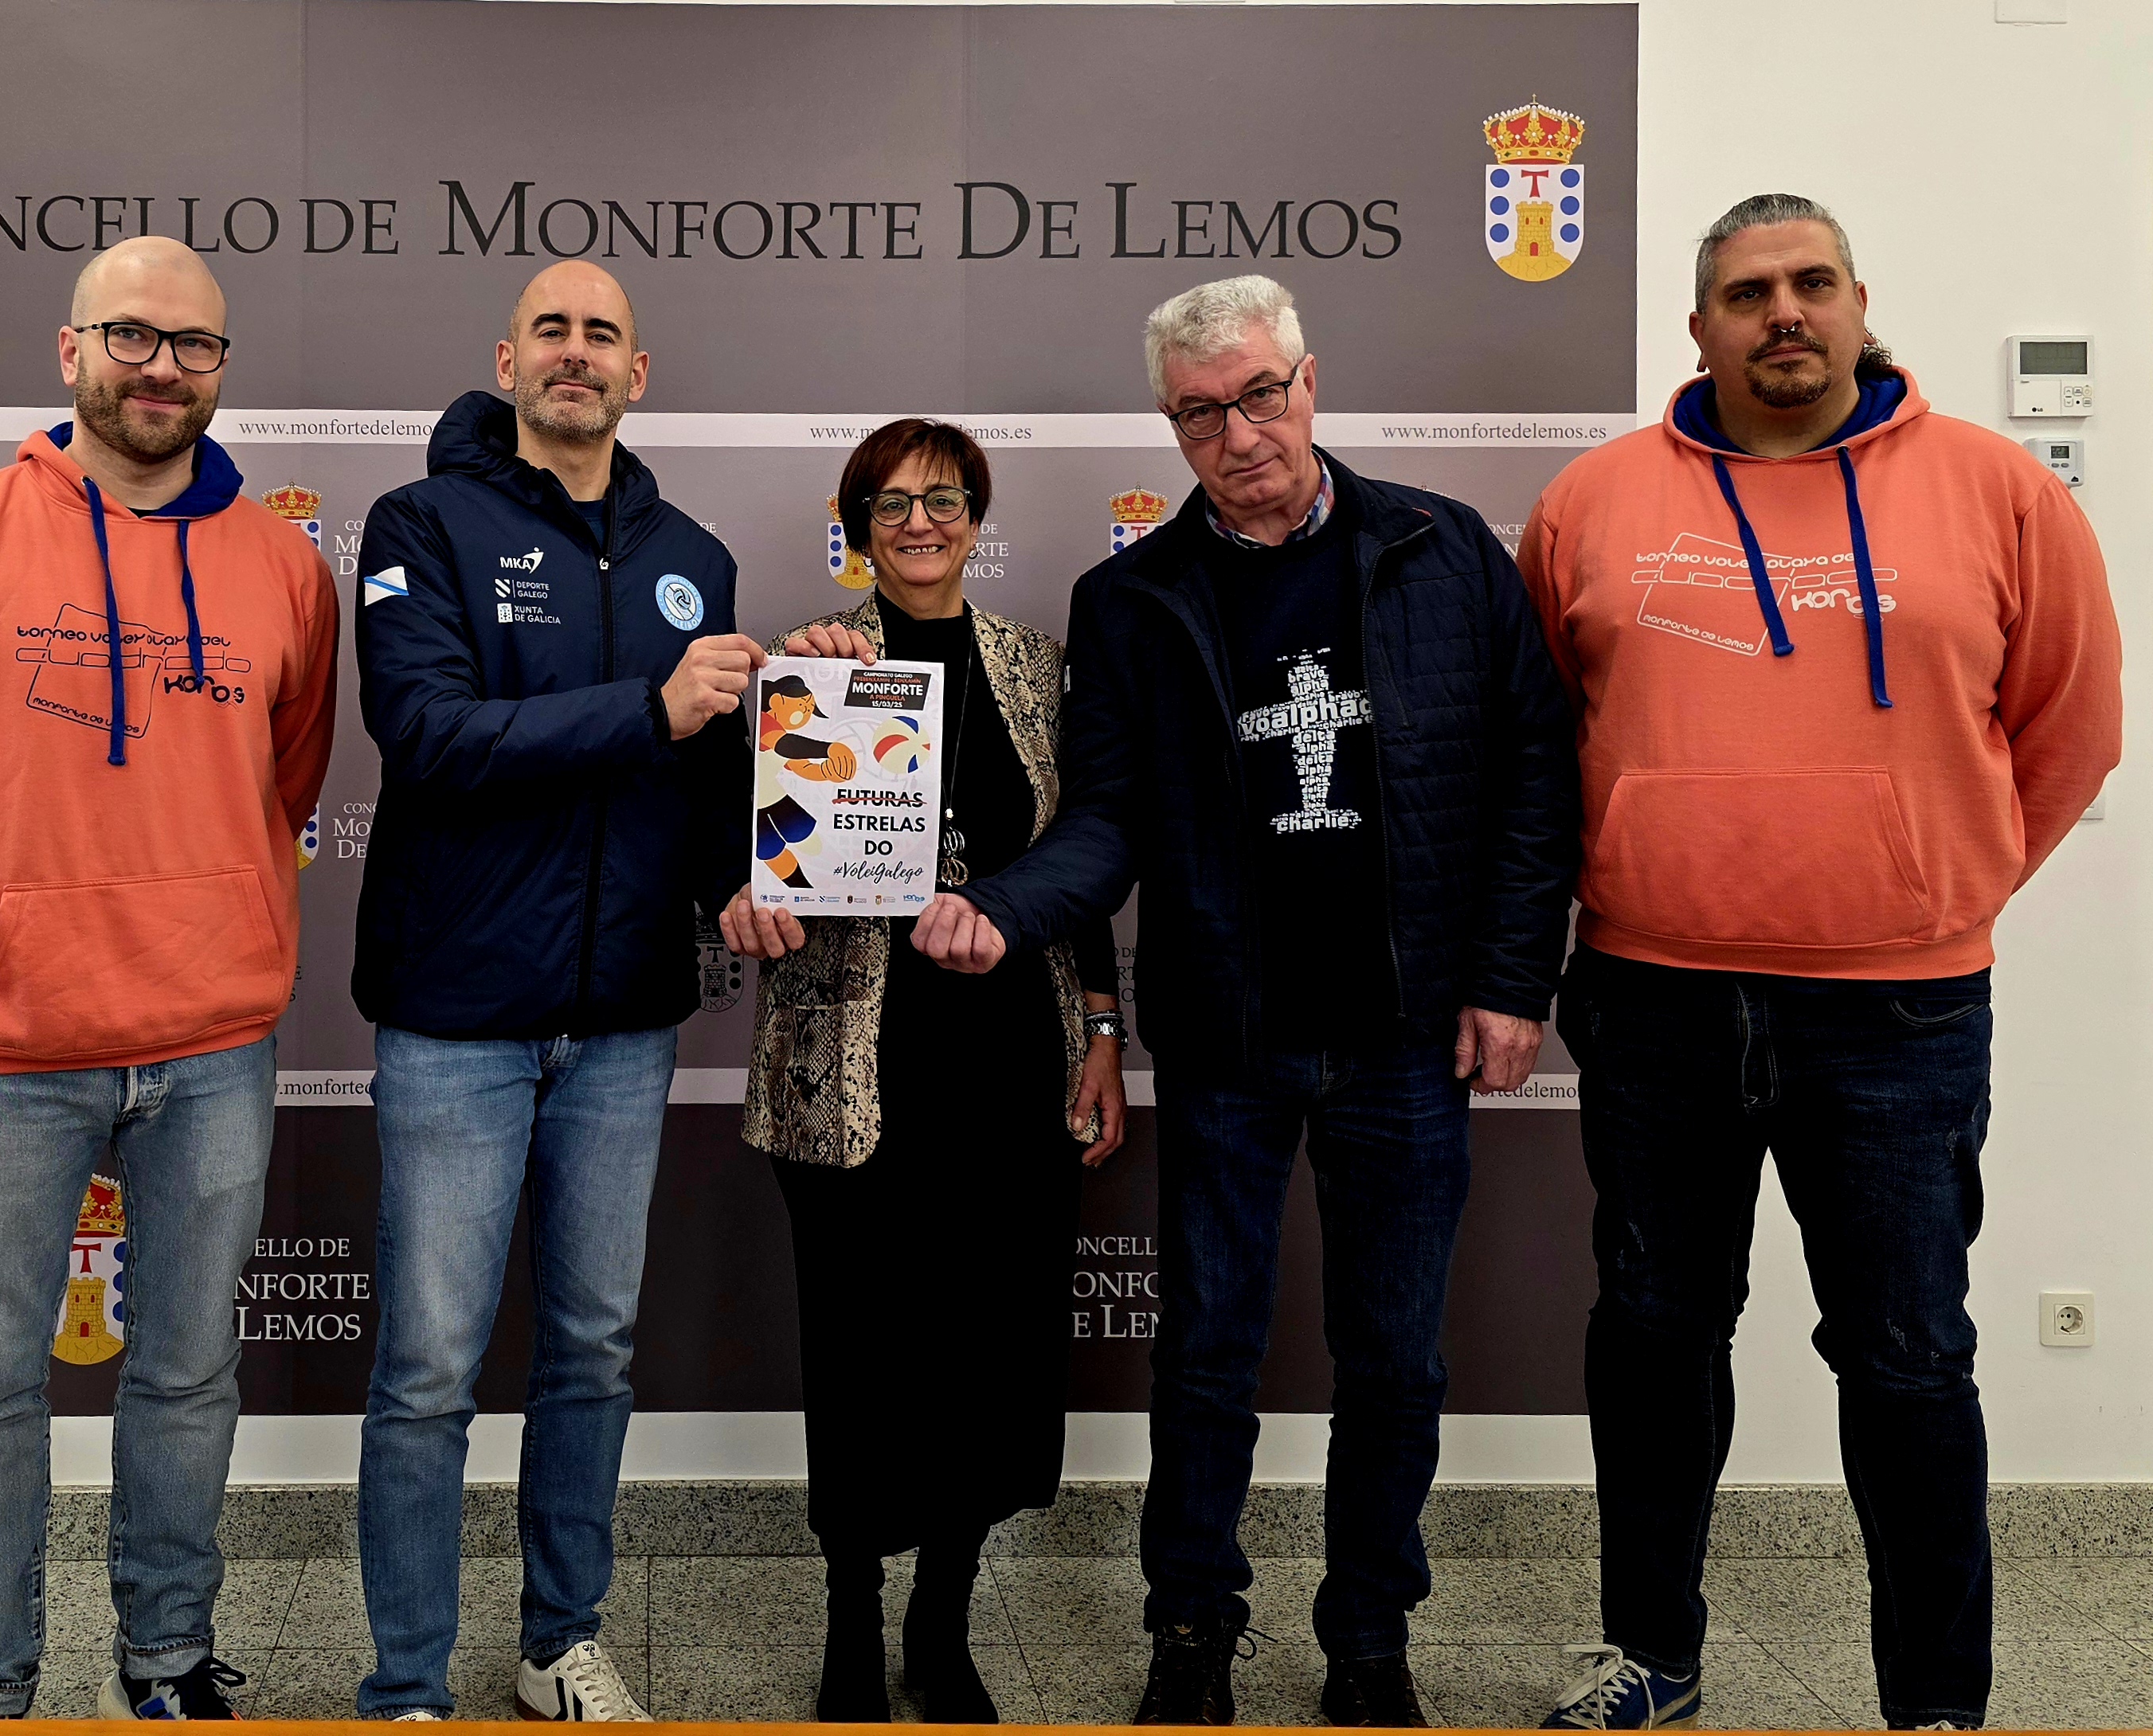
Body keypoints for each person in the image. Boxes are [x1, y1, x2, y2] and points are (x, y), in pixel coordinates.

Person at [913, 275, 1580, 1726]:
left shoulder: (1444, 549)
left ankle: (1370, 1640)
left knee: (1394, 1357)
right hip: (1229, 1035)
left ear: (1309, 383)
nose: (1239, 434)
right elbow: (1105, 819)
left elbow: (1536, 771)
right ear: (1174, 425)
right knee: (1207, 1348)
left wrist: (1509, 979)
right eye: (1201, 413)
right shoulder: (1131, 599)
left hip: (1407, 1033)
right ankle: (1193, 1627)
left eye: (1260, 396)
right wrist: (1004, 908)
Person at [1519, 195, 2123, 1733]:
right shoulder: (1592, 501)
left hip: (1900, 1010)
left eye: (1810, 283)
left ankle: (1937, 1703)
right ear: (1700, 327)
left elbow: (2073, 723)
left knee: (1908, 1358)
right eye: (1746, 293)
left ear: (1858, 301)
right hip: (1653, 997)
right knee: (1656, 1336)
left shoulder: (1996, 490)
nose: (1782, 312)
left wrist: (1932, 883)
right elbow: (1538, 747)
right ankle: (1650, 1655)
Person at [0, 237, 339, 1720]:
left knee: (187, 1377)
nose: (162, 367)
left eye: (195, 345)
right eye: (132, 335)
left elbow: (285, 786)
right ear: (70, 351)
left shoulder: (285, 568)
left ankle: (165, 1660)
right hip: (8, 1051)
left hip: (214, 1043)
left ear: (222, 368)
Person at [350, 261, 840, 1722]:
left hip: (624, 1021)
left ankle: (560, 1640)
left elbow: (695, 778)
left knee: (590, 1351)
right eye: (551, 331)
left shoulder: (692, 555)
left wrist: (750, 865)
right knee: (430, 1367)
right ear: (508, 362)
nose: (577, 353)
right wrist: (650, 705)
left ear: (640, 371)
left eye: (602, 335)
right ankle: (406, 1683)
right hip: (456, 1015)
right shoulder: (420, 523)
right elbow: (427, 733)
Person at [721, 420, 1130, 1725]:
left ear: (977, 517)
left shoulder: (1038, 666)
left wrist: (1106, 1029)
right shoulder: (810, 663)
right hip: (850, 1064)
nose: (919, 523)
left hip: (1010, 1060)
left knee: (990, 1352)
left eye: (944, 499)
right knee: (862, 1353)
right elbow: (741, 840)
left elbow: (1082, 861)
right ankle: (851, 1614)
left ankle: (941, 1621)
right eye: (890, 504)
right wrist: (746, 882)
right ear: (855, 528)